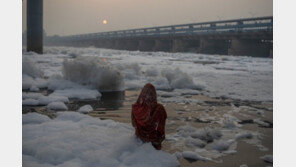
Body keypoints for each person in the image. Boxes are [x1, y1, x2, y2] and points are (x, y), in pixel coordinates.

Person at [131, 83, 167, 150]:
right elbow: (161, 130)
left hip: (139, 139)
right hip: (153, 142)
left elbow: (133, 124)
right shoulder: (159, 108)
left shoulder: (135, 107)